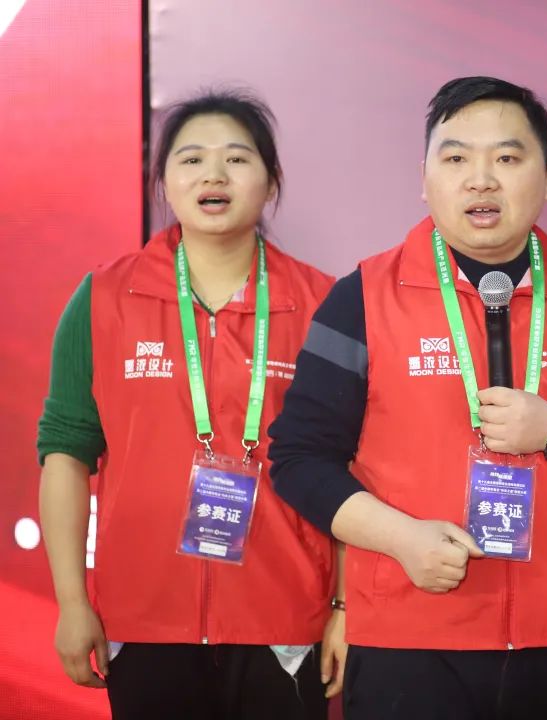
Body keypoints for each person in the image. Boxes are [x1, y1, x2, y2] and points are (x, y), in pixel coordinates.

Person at [267, 75, 547, 720]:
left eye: (507, 158)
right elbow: (297, 459)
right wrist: (401, 539)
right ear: (425, 178)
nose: (481, 180)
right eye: (456, 159)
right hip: (409, 635)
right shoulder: (363, 296)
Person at [37, 90, 345, 720]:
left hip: (286, 623)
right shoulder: (103, 299)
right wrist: (72, 602)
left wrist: (346, 606)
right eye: (191, 159)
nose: (214, 174)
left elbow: (351, 470)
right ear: (164, 182)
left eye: (237, 158)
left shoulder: (325, 306)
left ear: (270, 181)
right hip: (144, 624)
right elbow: (65, 455)